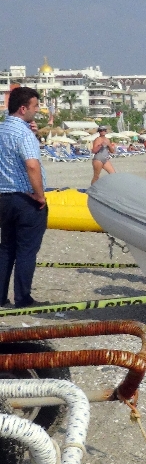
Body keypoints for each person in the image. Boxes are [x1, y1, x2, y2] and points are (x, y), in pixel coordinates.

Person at [0, 87, 48, 307]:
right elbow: (31, 165)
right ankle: (23, 297)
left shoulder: (2, 130)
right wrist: (40, 196)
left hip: (3, 197)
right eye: (35, 106)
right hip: (24, 197)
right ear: (23, 108)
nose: (36, 111)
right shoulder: (23, 134)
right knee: (27, 249)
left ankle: (1, 297)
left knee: (6, 247)